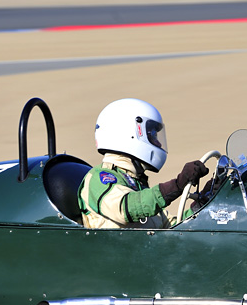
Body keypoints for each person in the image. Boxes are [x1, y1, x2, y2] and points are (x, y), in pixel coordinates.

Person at [78, 98, 208, 229]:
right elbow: (128, 208)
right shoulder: (98, 178)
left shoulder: (136, 184)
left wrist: (202, 203)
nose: (157, 143)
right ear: (126, 133)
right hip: (114, 249)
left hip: (145, 248)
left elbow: (171, 228)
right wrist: (177, 185)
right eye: (151, 134)